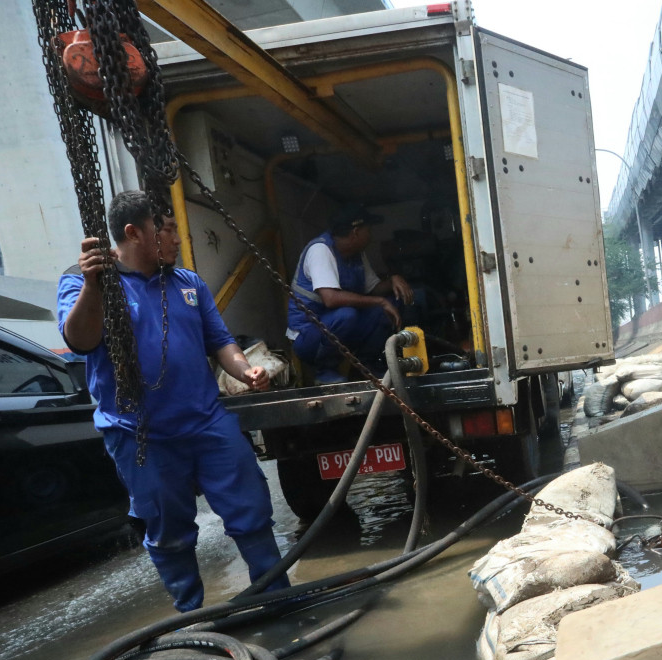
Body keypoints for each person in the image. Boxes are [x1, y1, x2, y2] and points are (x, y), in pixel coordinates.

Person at [58, 189, 291, 612]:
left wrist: (243, 369)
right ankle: (194, 618)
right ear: (135, 233)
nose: (177, 240)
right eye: (166, 230)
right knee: (169, 532)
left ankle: (278, 596)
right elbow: (80, 339)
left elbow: (219, 341)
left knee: (252, 512)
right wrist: (93, 285)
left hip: (206, 422)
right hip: (140, 434)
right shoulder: (83, 282)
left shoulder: (188, 283)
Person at [287, 203, 414, 382]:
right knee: (347, 315)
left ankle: (367, 367)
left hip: (338, 328)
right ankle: (324, 371)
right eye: (368, 230)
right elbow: (330, 299)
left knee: (387, 306)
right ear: (355, 232)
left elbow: (373, 288)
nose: (370, 235)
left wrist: (393, 279)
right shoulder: (321, 250)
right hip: (307, 336)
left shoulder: (356, 254)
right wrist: (379, 301)